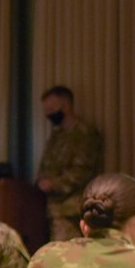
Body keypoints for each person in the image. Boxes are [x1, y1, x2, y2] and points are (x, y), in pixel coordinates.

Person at [35, 86, 103, 243]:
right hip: (52, 208)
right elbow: (46, 165)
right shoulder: (57, 135)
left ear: (66, 105)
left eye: (51, 108)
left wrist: (53, 184)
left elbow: (82, 171)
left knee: (67, 256)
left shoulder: (85, 133)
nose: (48, 113)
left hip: (72, 209)